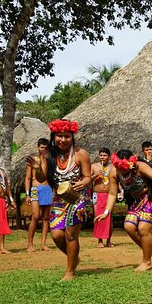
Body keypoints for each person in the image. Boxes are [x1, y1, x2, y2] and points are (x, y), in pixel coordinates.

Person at [95, 150, 152, 272]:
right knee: (128, 226)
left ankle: (147, 261)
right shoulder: (114, 171)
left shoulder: (140, 166)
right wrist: (106, 212)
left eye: (125, 168)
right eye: (120, 168)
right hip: (139, 201)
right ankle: (148, 250)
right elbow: (113, 194)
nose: (122, 171)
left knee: (143, 228)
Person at [27, 119, 92, 281]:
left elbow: (88, 177)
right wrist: (37, 169)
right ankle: (74, 258)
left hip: (78, 198)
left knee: (70, 235)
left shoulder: (80, 154)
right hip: (58, 199)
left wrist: (83, 182)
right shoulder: (48, 155)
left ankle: (70, 271)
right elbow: (42, 178)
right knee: (56, 235)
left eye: (67, 136)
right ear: (53, 136)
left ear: (72, 137)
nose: (63, 139)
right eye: (59, 136)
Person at [24, 138, 52, 252]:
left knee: (46, 217)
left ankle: (43, 244)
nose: (44, 150)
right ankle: (30, 244)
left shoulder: (49, 161)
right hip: (35, 189)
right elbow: (28, 178)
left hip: (47, 189)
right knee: (35, 216)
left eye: (46, 148)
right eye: (42, 147)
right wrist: (27, 194)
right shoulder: (33, 160)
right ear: (38, 147)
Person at [91, 148, 114, 248]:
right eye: (101, 155)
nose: (102, 157)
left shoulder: (113, 166)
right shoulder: (94, 166)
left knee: (109, 217)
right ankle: (99, 240)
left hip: (109, 194)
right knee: (98, 216)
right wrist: (96, 175)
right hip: (97, 194)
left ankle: (109, 240)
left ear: (108, 156)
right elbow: (87, 179)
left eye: (105, 155)